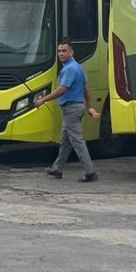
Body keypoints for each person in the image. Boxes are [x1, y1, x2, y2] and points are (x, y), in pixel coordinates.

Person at [34, 39, 99, 182]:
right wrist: (89, 106)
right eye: (59, 51)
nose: (61, 54)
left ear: (71, 52)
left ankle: (90, 172)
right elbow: (85, 88)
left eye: (64, 51)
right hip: (75, 107)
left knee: (77, 141)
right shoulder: (77, 67)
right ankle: (57, 168)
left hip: (71, 108)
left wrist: (43, 100)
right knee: (65, 140)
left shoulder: (70, 69)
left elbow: (62, 89)